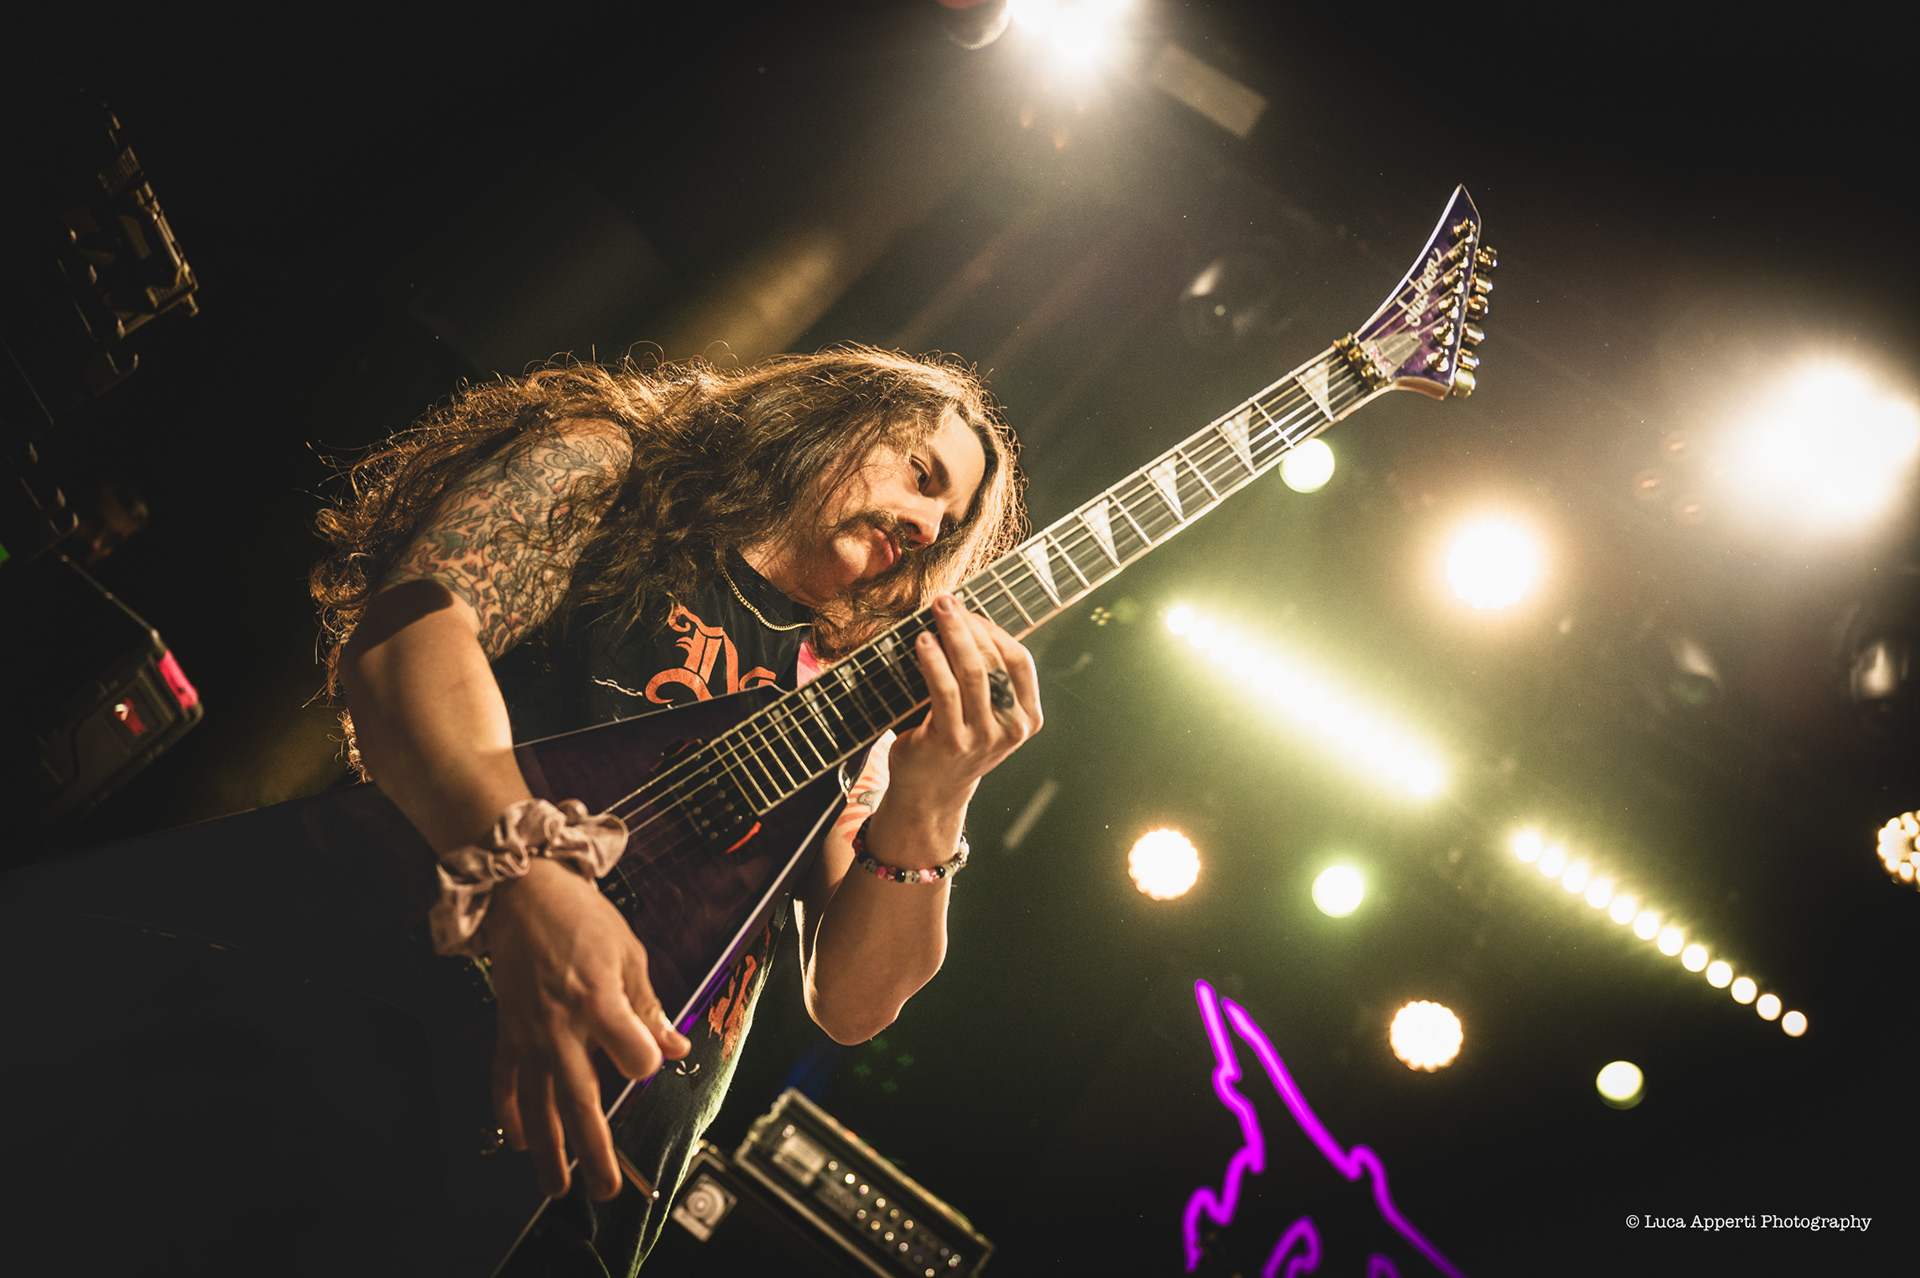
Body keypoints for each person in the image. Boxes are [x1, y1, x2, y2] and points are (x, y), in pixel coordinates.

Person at [310, 347, 1040, 1273]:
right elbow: (406, 639)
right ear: (828, 418)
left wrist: (938, 795)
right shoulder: (612, 471)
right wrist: (529, 874)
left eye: (948, 522)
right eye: (922, 474)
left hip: (585, 1195)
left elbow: (852, 1002)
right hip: (366, 1039)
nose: (926, 524)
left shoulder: (851, 702)